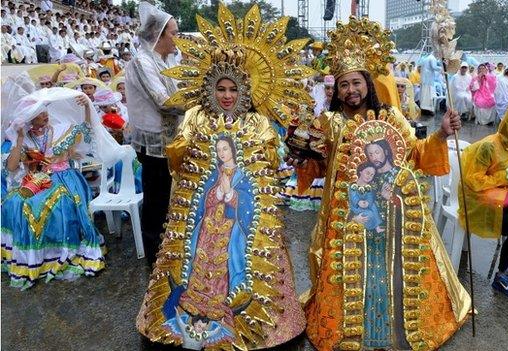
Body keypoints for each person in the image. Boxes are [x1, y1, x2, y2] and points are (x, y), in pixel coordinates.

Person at [136, 5, 308, 349]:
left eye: (232, 90)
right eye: (220, 89)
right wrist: (197, 151)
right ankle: (189, 316)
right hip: (202, 212)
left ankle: (247, 318)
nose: (226, 96)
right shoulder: (196, 118)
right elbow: (179, 160)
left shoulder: (257, 123)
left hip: (242, 216)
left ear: (244, 91)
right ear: (211, 89)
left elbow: (270, 164)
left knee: (240, 260)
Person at [296, 16, 470, 351]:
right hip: (346, 215)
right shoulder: (329, 122)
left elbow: (416, 154)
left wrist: (442, 133)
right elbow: (320, 165)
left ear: (368, 83)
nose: (351, 90)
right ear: (337, 89)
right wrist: (303, 159)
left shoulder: (391, 116)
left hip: (392, 213)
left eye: (357, 83)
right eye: (344, 84)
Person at [1, 87, 121, 289]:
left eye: (45, 111)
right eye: (38, 113)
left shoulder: (61, 129)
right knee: (14, 203)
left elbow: (88, 129)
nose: (44, 115)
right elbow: (12, 167)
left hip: (64, 178)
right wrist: (20, 138)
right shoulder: (26, 138)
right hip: (35, 180)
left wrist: (86, 108)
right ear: (30, 118)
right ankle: (33, 257)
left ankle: (54, 252)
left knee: (55, 204)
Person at [460, 98, 508, 299]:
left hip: (506, 201)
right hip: (480, 202)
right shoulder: (488, 146)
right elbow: (473, 181)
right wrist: (507, 177)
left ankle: (507, 274)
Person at [125, 1, 181, 265]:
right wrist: (201, 100)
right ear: (159, 35)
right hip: (153, 145)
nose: (177, 38)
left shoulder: (164, 60)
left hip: (170, 142)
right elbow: (164, 101)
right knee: (157, 201)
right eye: (173, 33)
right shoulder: (142, 61)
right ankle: (155, 260)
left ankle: (169, 250)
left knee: (172, 197)